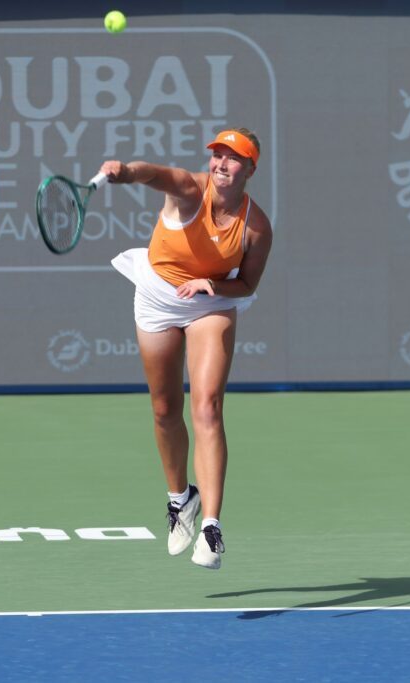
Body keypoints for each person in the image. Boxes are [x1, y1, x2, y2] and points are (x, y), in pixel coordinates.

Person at [102, 128, 273, 570]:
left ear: (251, 169)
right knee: (163, 409)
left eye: (233, 159)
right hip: (158, 295)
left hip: (210, 303)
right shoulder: (188, 189)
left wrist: (211, 284)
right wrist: (124, 173)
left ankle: (212, 528)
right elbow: (153, 174)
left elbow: (247, 283)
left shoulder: (256, 227)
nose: (221, 164)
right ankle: (181, 499)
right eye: (217, 155)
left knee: (207, 408)